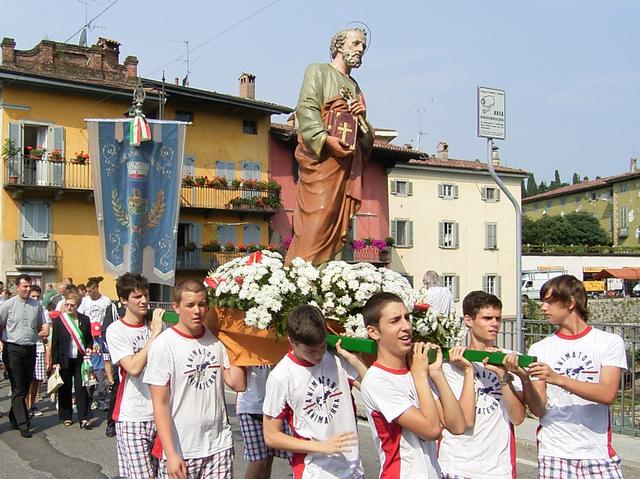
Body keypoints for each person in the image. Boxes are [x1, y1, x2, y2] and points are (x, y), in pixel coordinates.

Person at [520, 275, 627, 478]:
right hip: (554, 452)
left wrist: (557, 378)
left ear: (570, 303)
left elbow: (607, 394)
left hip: (597, 451)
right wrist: (524, 379)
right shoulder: (539, 348)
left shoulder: (609, 342)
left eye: (550, 302)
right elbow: (538, 409)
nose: (543, 308)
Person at [284, 27, 374, 266]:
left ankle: (329, 277)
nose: (360, 50)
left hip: (344, 165)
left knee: (337, 222)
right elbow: (306, 108)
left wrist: (362, 118)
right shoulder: (318, 71)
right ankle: (301, 276)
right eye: (356, 44)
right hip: (322, 163)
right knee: (317, 221)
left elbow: (364, 133)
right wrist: (325, 140)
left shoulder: (355, 87)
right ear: (339, 46)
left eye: (363, 46)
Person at [144, 279, 246, 479]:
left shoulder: (217, 340)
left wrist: (239, 343)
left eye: (201, 304)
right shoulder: (164, 345)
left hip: (219, 445)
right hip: (182, 448)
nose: (197, 311)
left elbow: (238, 383)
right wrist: (171, 454)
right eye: (190, 305)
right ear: (176, 307)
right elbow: (160, 404)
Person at [360, 292, 466, 478]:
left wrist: (437, 374)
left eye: (407, 318)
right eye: (395, 321)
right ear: (374, 332)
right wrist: (420, 377)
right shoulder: (377, 380)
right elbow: (431, 430)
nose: (406, 326)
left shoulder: (416, 369)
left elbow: (457, 426)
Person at [263, 304, 367, 479]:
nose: (318, 355)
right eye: (311, 351)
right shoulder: (281, 376)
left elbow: (374, 392)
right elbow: (271, 436)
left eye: (323, 346)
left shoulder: (337, 358)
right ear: (291, 341)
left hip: (353, 470)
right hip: (314, 471)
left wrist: (357, 360)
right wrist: (322, 446)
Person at [438, 291, 526, 479]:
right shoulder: (451, 365)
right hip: (456, 465)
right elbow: (465, 421)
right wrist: (468, 371)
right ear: (469, 320)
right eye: (487, 318)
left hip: (497, 469)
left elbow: (517, 418)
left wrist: (503, 375)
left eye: (498, 318)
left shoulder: (509, 358)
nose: (495, 324)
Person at [106, 273, 164, 479]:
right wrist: (155, 334)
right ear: (123, 300)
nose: (144, 301)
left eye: (146, 295)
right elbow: (133, 367)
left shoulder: (155, 325)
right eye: (137, 297)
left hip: (160, 412)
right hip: (132, 414)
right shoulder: (116, 330)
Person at [0, 274, 46, 437]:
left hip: (30, 348)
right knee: (18, 385)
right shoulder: (8, 305)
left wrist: (43, 332)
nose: (27, 289)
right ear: (17, 287)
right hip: (12, 348)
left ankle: (14, 416)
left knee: (25, 385)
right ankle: (23, 423)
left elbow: (41, 325)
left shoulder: (37, 305)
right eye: (25, 286)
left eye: (29, 286)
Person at [50, 289, 93, 428]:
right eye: (67, 304)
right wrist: (55, 362)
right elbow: (55, 342)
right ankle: (66, 416)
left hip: (80, 359)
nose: (69, 307)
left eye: (72, 305)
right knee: (65, 388)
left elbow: (89, 339)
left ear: (77, 305)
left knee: (81, 387)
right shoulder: (59, 321)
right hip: (64, 359)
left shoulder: (85, 320)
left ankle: (83, 417)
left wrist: (89, 347)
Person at [237, 366, 289, 479]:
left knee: (268, 458)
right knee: (258, 461)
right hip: (249, 406)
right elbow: (237, 381)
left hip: (274, 406)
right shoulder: (245, 350)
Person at [26, 285, 51, 418]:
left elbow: (46, 332)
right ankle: (26, 406)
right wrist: (35, 333)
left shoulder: (43, 310)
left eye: (37, 296)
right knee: (27, 380)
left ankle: (32, 404)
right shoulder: (25, 310)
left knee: (37, 380)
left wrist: (31, 333)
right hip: (27, 347)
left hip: (39, 347)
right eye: (33, 296)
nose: (35, 298)